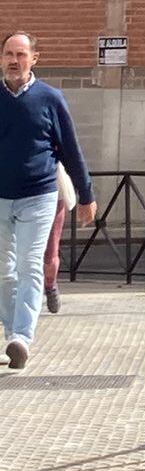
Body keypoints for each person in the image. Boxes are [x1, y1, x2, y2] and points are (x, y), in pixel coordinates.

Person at [1, 32, 96, 370]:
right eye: (9, 53)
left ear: (34, 59)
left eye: (21, 54)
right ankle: (12, 333)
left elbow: (70, 148)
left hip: (39, 196)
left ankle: (22, 337)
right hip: (0, 198)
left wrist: (86, 194)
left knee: (29, 265)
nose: (14, 60)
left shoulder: (50, 99)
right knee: (3, 271)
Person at [40, 164, 76, 315]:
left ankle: (50, 285)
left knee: (50, 251)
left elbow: (71, 154)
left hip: (52, 194)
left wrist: (87, 196)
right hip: (14, 196)